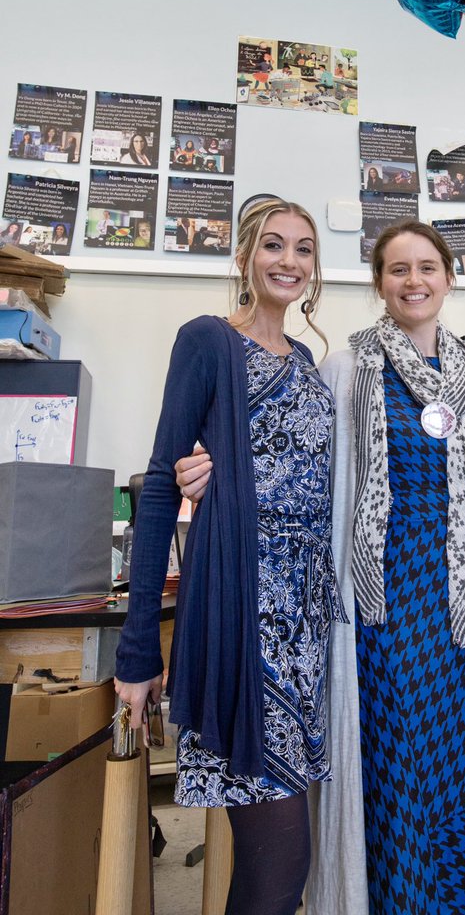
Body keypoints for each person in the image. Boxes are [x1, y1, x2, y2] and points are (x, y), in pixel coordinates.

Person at [178, 219, 465, 914]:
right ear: (379, 285)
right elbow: (295, 454)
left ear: (449, 278)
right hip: (396, 608)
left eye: (427, 267)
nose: (414, 281)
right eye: (398, 270)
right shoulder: (347, 367)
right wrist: (214, 466)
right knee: (418, 770)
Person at [114, 197, 344, 915]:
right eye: (273, 246)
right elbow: (159, 486)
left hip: (308, 625)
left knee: (282, 847)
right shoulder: (209, 339)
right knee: (283, 859)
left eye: (303, 249)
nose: (288, 261)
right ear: (243, 257)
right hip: (247, 619)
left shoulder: (308, 360)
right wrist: (136, 652)